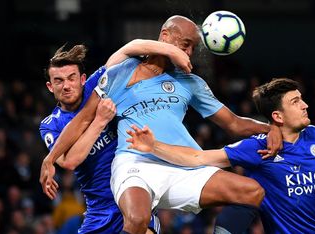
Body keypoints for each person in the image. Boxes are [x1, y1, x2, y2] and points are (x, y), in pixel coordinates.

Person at [39, 15, 282, 234]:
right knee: (137, 218)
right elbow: (81, 120)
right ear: (165, 37)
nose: (188, 53)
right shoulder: (123, 72)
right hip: (136, 162)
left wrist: (269, 127)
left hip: (183, 163)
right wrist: (49, 160)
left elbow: (234, 124)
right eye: (185, 44)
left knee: (252, 191)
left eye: (193, 48)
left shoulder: (191, 83)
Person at [126, 78, 315, 233]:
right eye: (296, 102)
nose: (305, 105)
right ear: (277, 116)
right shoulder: (257, 148)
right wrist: (155, 147)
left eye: (302, 98)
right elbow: (200, 158)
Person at [39, 43, 189, 233]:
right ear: (50, 87)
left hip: (132, 195)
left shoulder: (97, 86)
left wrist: (170, 50)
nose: (66, 86)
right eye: (59, 81)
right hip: (99, 212)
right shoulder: (50, 124)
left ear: (83, 79)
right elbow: (70, 161)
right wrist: (100, 121)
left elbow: (128, 49)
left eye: (71, 78)